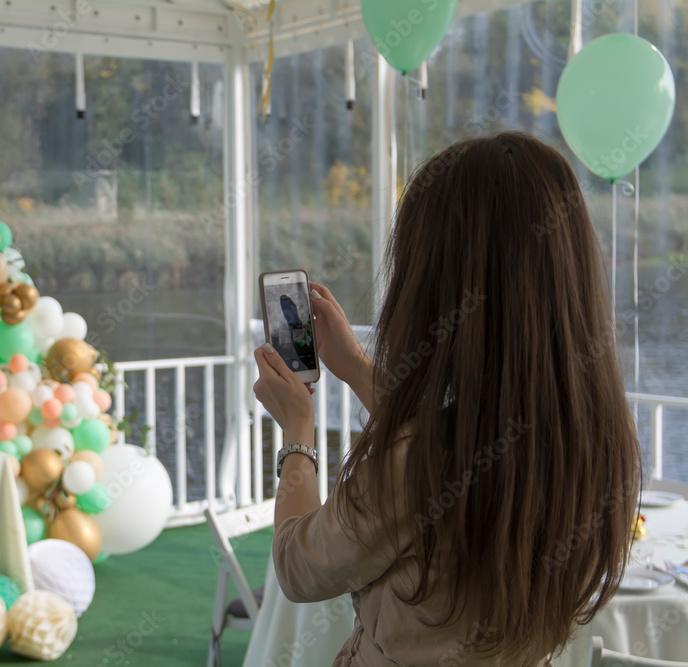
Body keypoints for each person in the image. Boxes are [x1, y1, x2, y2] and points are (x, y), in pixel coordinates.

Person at [253, 132, 641, 666]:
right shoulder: (600, 439)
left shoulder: (411, 466)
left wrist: (297, 432)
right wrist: (358, 369)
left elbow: (299, 567)